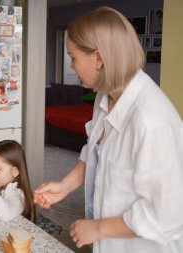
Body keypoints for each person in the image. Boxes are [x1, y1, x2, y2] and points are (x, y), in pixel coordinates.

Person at [34, 7, 183, 253]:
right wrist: (65, 186)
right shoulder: (105, 96)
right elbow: (94, 149)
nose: (71, 65)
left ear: (98, 58)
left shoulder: (151, 121)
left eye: (73, 57)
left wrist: (98, 228)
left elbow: (166, 215)